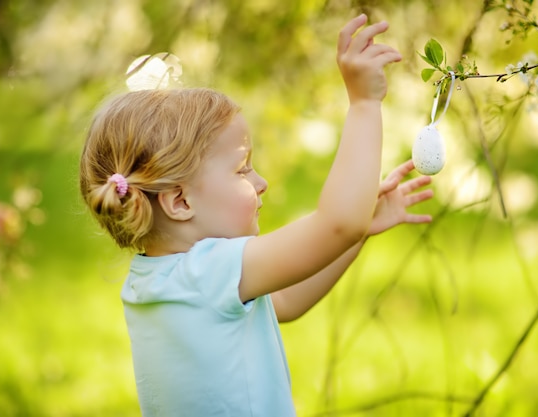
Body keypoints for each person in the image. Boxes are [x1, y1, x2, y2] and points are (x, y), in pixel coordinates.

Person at [79, 14, 433, 417]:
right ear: (179, 202)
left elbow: (283, 301)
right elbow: (335, 223)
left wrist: (358, 232)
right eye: (242, 169)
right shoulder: (208, 273)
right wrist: (364, 104)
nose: (261, 182)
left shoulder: (159, 281)